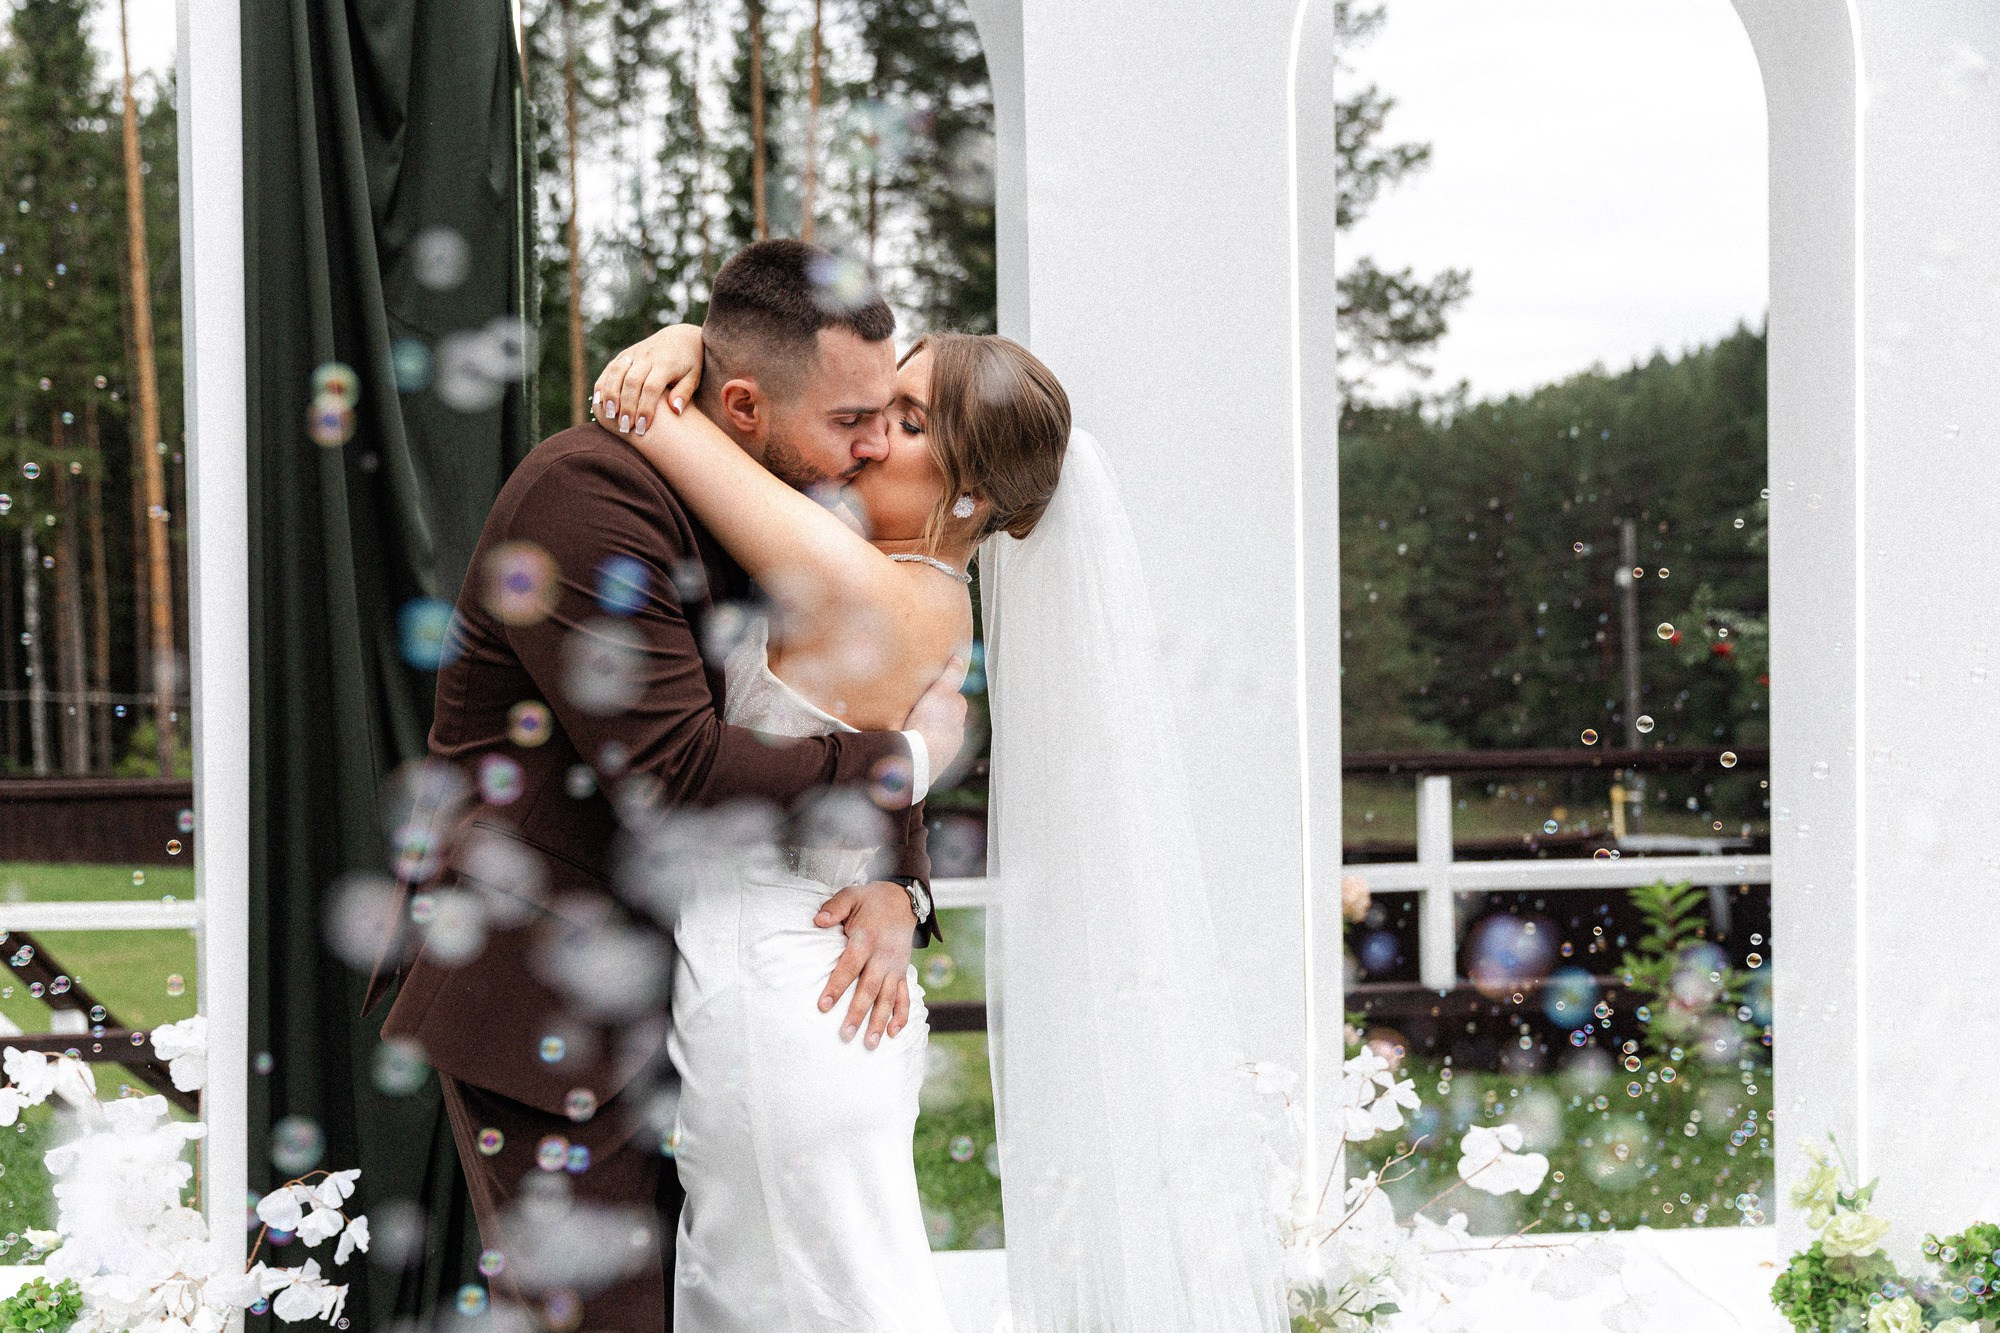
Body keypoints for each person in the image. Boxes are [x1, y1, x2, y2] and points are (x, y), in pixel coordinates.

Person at [594, 245, 1288, 1331]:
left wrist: (674, 346)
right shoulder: (910, 592)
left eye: (907, 422)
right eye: (873, 407)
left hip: (786, 1001)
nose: (869, 435)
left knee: (820, 1300)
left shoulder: (872, 591)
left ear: (967, 487)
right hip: (805, 979)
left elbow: (661, 423)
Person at [373, 239, 968, 1333]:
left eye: (890, 414)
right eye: (850, 421)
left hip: (714, 985)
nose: (876, 445)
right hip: (552, 989)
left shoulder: (784, 499)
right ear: (738, 404)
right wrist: (903, 769)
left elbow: (840, 700)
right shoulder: (586, 496)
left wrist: (896, 880)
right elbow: (676, 771)